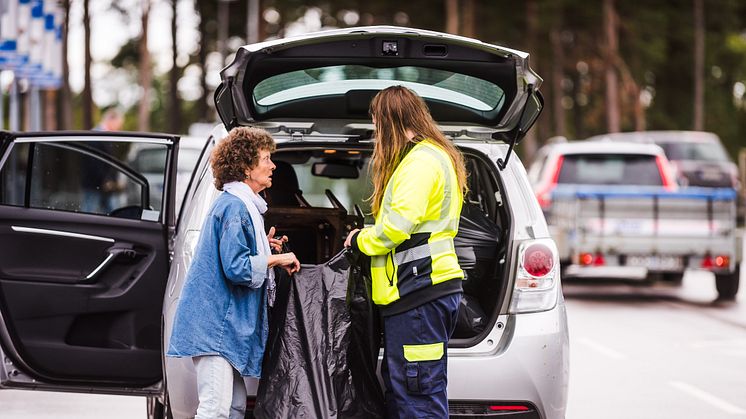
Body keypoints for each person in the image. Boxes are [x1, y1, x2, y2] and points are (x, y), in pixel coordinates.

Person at [344, 86, 468, 418]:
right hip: (419, 295)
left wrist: (359, 241)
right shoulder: (429, 156)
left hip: (419, 295)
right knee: (408, 389)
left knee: (417, 396)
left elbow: (396, 227)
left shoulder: (420, 163)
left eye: (375, 123)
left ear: (388, 120)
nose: (375, 133)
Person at [167, 127, 300, 419]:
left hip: (222, 330)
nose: (273, 165)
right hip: (215, 329)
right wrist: (275, 260)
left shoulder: (241, 206)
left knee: (235, 407)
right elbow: (237, 268)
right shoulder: (235, 207)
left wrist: (264, 246)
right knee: (214, 410)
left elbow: (237, 254)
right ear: (245, 166)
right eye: (266, 158)